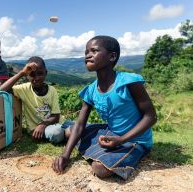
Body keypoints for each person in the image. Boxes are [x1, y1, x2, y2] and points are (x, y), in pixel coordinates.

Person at [52, 35, 157, 179]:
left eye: (94, 51)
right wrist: (65, 155)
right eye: (86, 52)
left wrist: (121, 140)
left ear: (112, 56)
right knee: (72, 131)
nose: (88, 55)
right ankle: (87, 141)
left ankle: (125, 151)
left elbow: (150, 116)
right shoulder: (90, 90)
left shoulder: (128, 82)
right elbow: (80, 125)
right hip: (111, 132)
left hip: (135, 140)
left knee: (100, 168)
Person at [0, 56, 70, 143]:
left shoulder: (52, 90)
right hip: (36, 130)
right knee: (56, 133)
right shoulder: (24, 89)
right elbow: (1, 90)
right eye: (32, 75)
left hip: (50, 125)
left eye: (40, 73)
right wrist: (21, 73)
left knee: (58, 130)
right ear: (27, 76)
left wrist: (43, 125)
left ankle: (71, 129)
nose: (36, 78)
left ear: (46, 73)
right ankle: (69, 131)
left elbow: (56, 116)